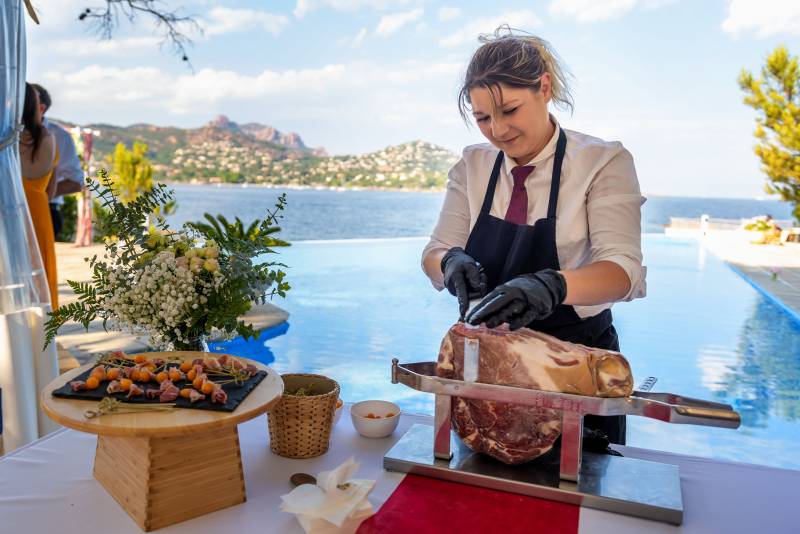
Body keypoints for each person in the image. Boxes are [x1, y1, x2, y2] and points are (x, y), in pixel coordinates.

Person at [421, 29, 646, 446]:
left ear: (543, 88)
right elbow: (433, 252)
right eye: (484, 117)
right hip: (485, 371)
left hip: (571, 369)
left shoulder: (603, 162)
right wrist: (449, 261)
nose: (498, 130)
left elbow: (623, 271)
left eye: (510, 110)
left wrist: (553, 285)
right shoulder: (473, 165)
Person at [20, 82, 60, 309]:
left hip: (10, 209)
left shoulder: (8, 139)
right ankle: (41, 337)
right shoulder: (49, 139)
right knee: (40, 274)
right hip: (39, 211)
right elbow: (51, 191)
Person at [30, 83, 83, 241]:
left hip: (46, 211)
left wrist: (38, 194)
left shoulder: (60, 137)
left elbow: (76, 182)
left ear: (41, 108)